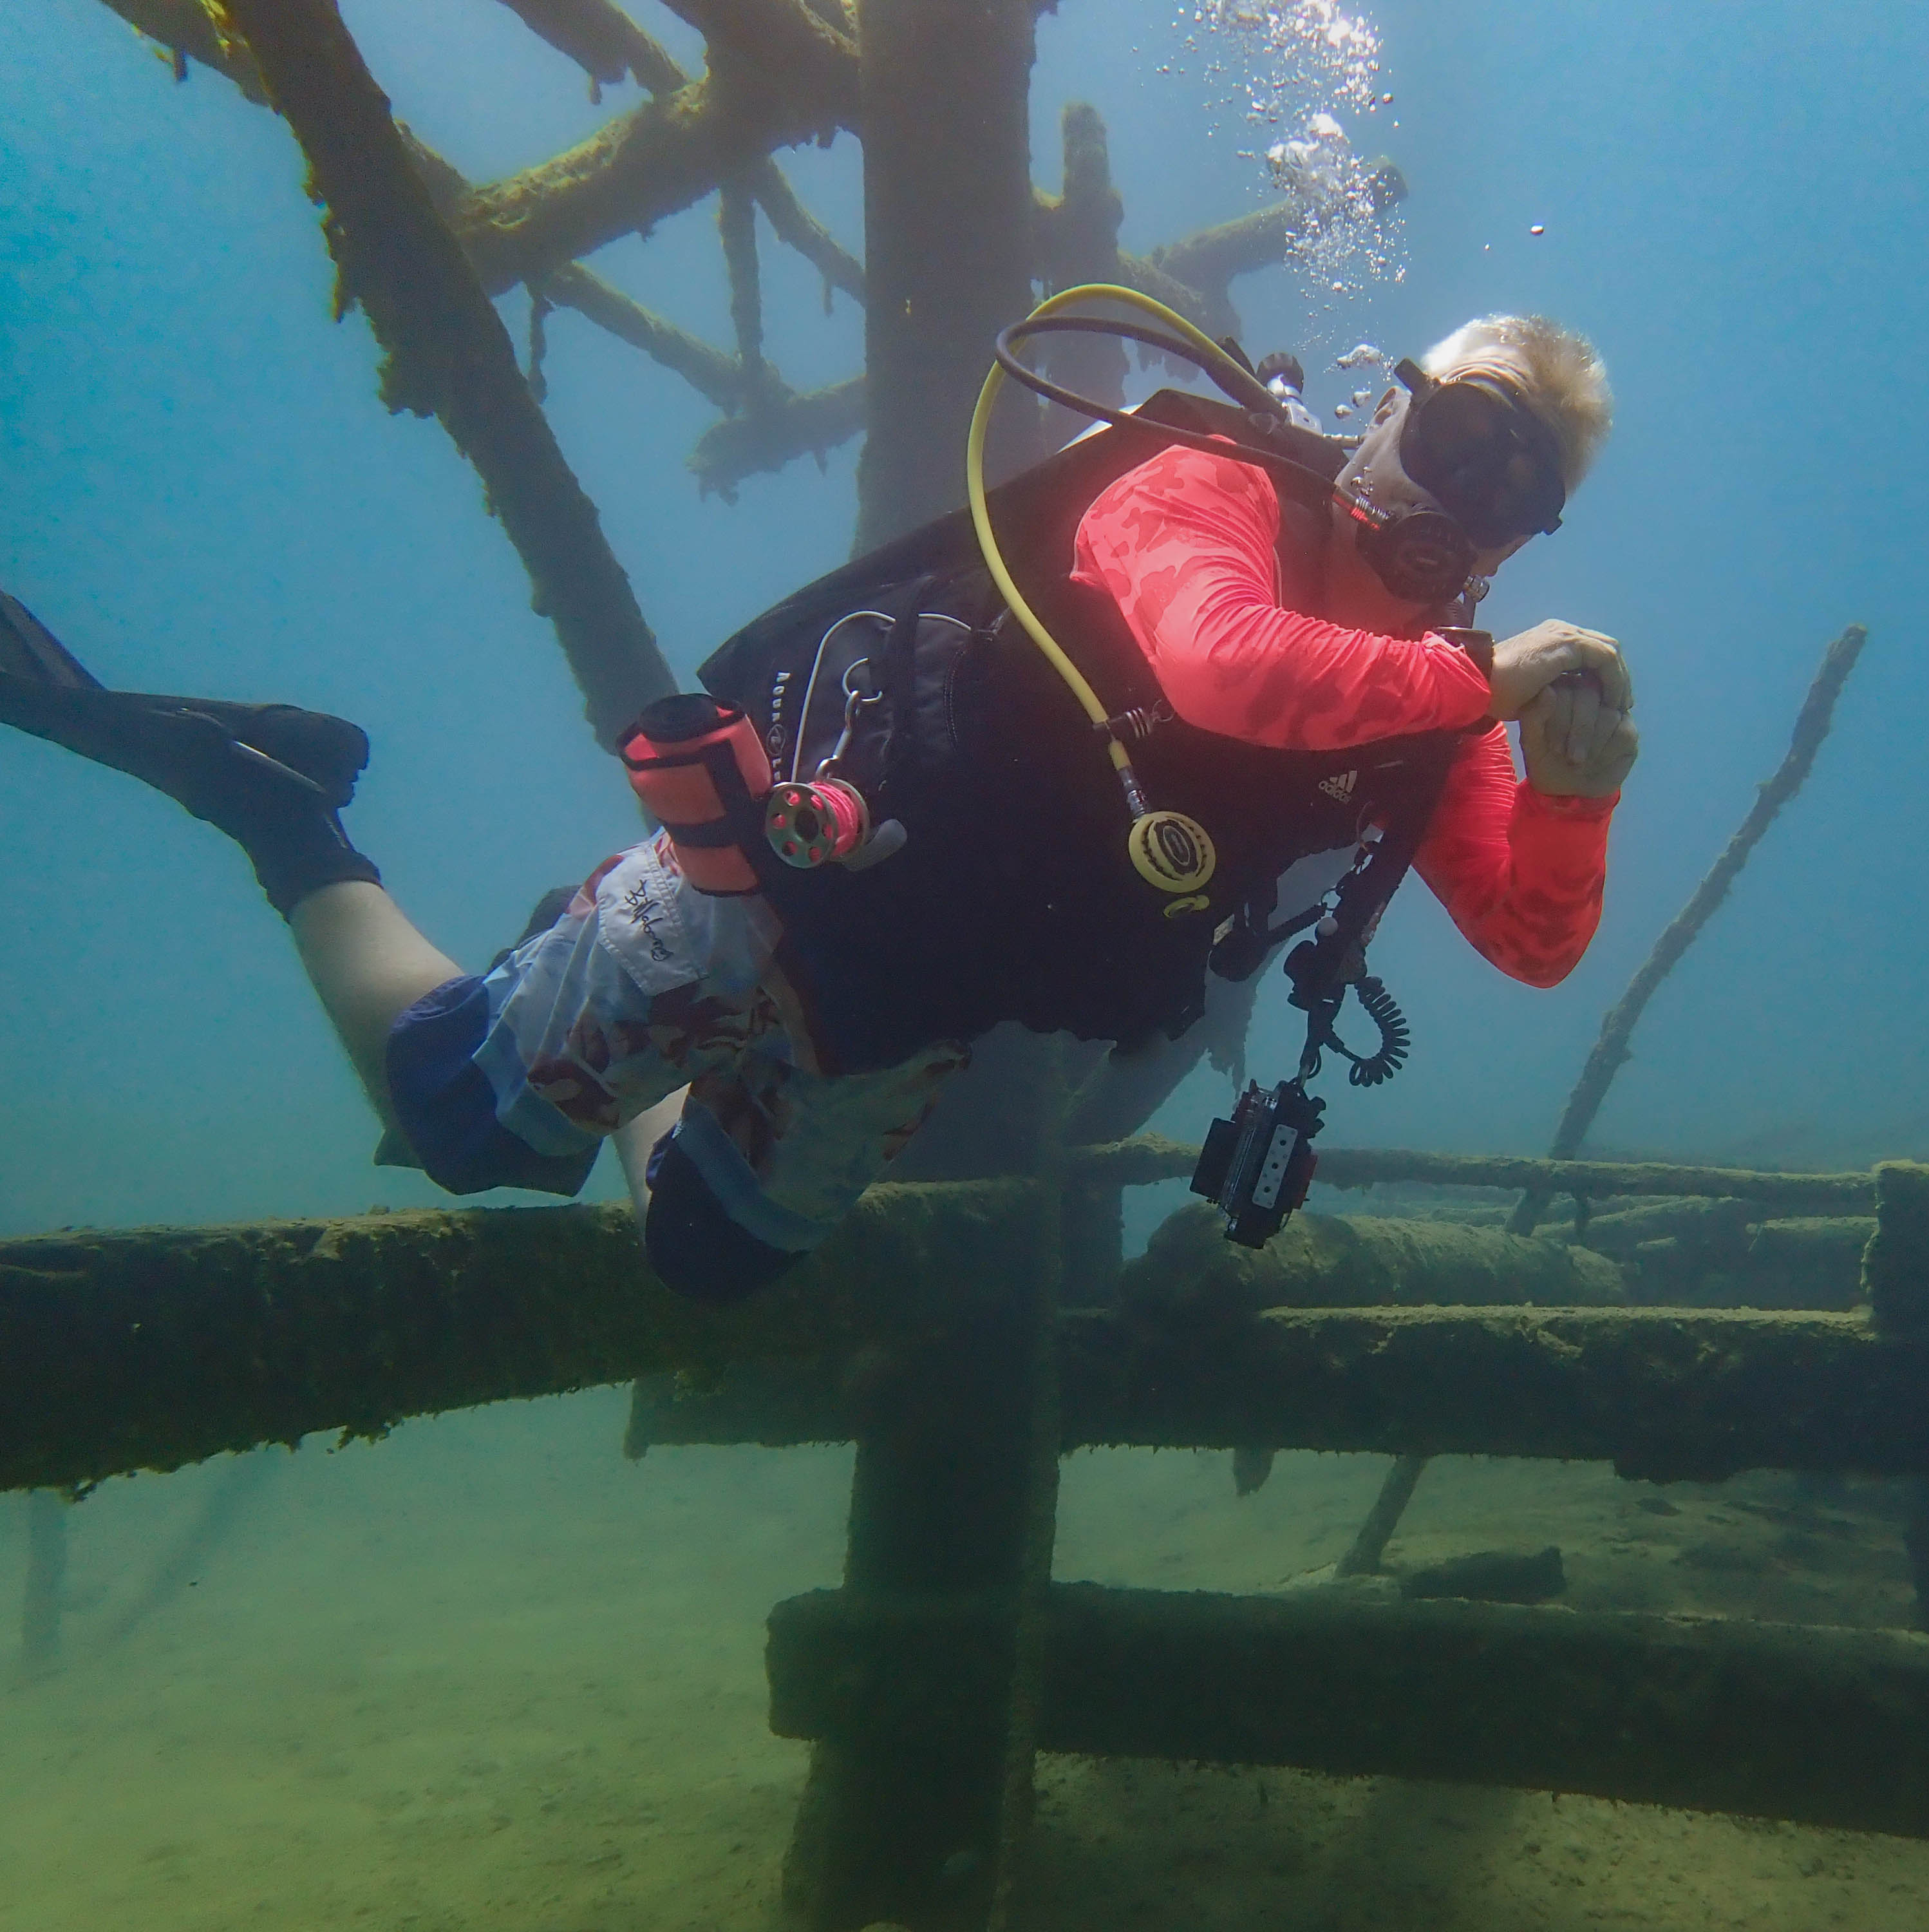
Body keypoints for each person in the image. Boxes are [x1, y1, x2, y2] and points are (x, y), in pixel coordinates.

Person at [0, 312, 1638, 1298]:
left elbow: (1527, 937)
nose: (1466, 499)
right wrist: (1479, 690)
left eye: (1519, 491)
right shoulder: (1204, 490)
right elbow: (1218, 667)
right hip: (785, 878)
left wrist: (1573, 801)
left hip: (917, 1001)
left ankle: (609, 1024)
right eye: (1458, 436)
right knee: (464, 1128)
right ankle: (283, 810)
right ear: (1385, 409)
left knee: (705, 1260)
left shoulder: (1436, 712)